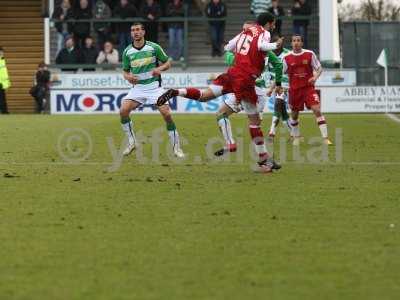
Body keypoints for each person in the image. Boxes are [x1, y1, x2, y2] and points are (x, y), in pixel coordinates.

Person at [157, 13, 284, 172]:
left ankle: (177, 91)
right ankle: (264, 160)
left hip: (233, 74)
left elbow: (227, 47)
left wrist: (241, 53)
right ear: (269, 23)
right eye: (273, 24)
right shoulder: (264, 34)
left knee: (204, 97)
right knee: (254, 122)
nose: (273, 27)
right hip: (246, 81)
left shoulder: (244, 34)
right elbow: (263, 47)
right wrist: (276, 45)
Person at [212, 21, 283, 160]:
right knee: (255, 126)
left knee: (223, 114)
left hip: (247, 88)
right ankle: (264, 159)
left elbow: (233, 65)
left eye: (245, 30)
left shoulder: (238, 54)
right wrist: (278, 83)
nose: (244, 33)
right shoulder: (264, 50)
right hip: (259, 92)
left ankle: (233, 145)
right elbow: (279, 64)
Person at [119, 23, 185, 157]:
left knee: (167, 115)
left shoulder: (154, 47)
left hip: (155, 88)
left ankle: (176, 148)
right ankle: (132, 142)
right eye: (133, 30)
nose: (135, 32)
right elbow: (125, 72)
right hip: (137, 89)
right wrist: (129, 78)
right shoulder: (127, 51)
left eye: (138, 30)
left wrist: (159, 69)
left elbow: (168, 63)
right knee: (123, 111)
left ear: (143, 32)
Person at [283, 35, 332, 146]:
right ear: (291, 43)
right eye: (294, 41)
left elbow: (319, 68)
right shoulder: (286, 57)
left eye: (298, 40)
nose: (296, 43)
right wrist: (277, 86)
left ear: (302, 43)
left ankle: (325, 138)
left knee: (316, 109)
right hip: (294, 90)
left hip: (308, 88)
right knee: (294, 115)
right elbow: (280, 73)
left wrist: (315, 77)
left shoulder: (309, 54)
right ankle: (296, 137)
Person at [265, 34, 291, 139]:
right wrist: (269, 85)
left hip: (285, 84)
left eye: (278, 42)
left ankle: (272, 132)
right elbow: (267, 70)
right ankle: (293, 133)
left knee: (278, 103)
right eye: (275, 42)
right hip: (273, 84)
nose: (277, 44)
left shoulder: (288, 54)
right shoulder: (268, 54)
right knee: (282, 109)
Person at [0, 47, 10, 114]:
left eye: (2, 52)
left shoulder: (2, 60)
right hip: (0, 83)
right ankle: (4, 111)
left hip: (3, 83)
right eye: (1, 52)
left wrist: (7, 83)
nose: (2, 53)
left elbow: (5, 73)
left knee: (2, 98)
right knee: (1, 98)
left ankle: (5, 111)